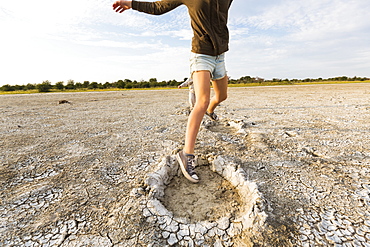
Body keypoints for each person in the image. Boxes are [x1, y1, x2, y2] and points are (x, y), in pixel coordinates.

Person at [113, 0, 232, 183]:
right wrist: (132, 3)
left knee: (222, 96)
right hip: (201, 54)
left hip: (220, 56)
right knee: (202, 101)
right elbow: (158, 7)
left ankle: (210, 111)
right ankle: (187, 155)